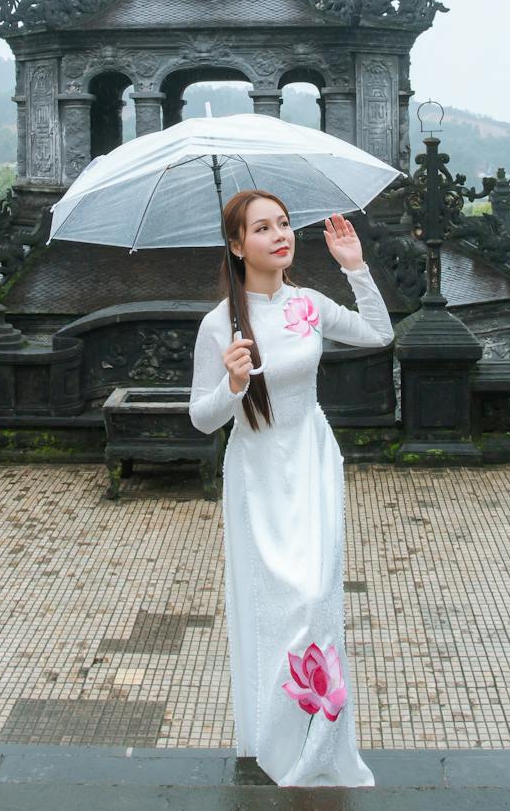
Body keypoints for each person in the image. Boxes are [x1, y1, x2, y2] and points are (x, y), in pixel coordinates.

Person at [189, 191, 392, 787]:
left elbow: (378, 333)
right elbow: (202, 417)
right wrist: (231, 382)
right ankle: (276, 741)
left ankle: (320, 745)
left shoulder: (308, 303)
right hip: (258, 472)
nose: (280, 235)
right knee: (278, 607)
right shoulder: (218, 325)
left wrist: (355, 266)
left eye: (283, 224)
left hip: (311, 461)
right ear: (236, 245)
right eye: (262, 228)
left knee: (315, 601)